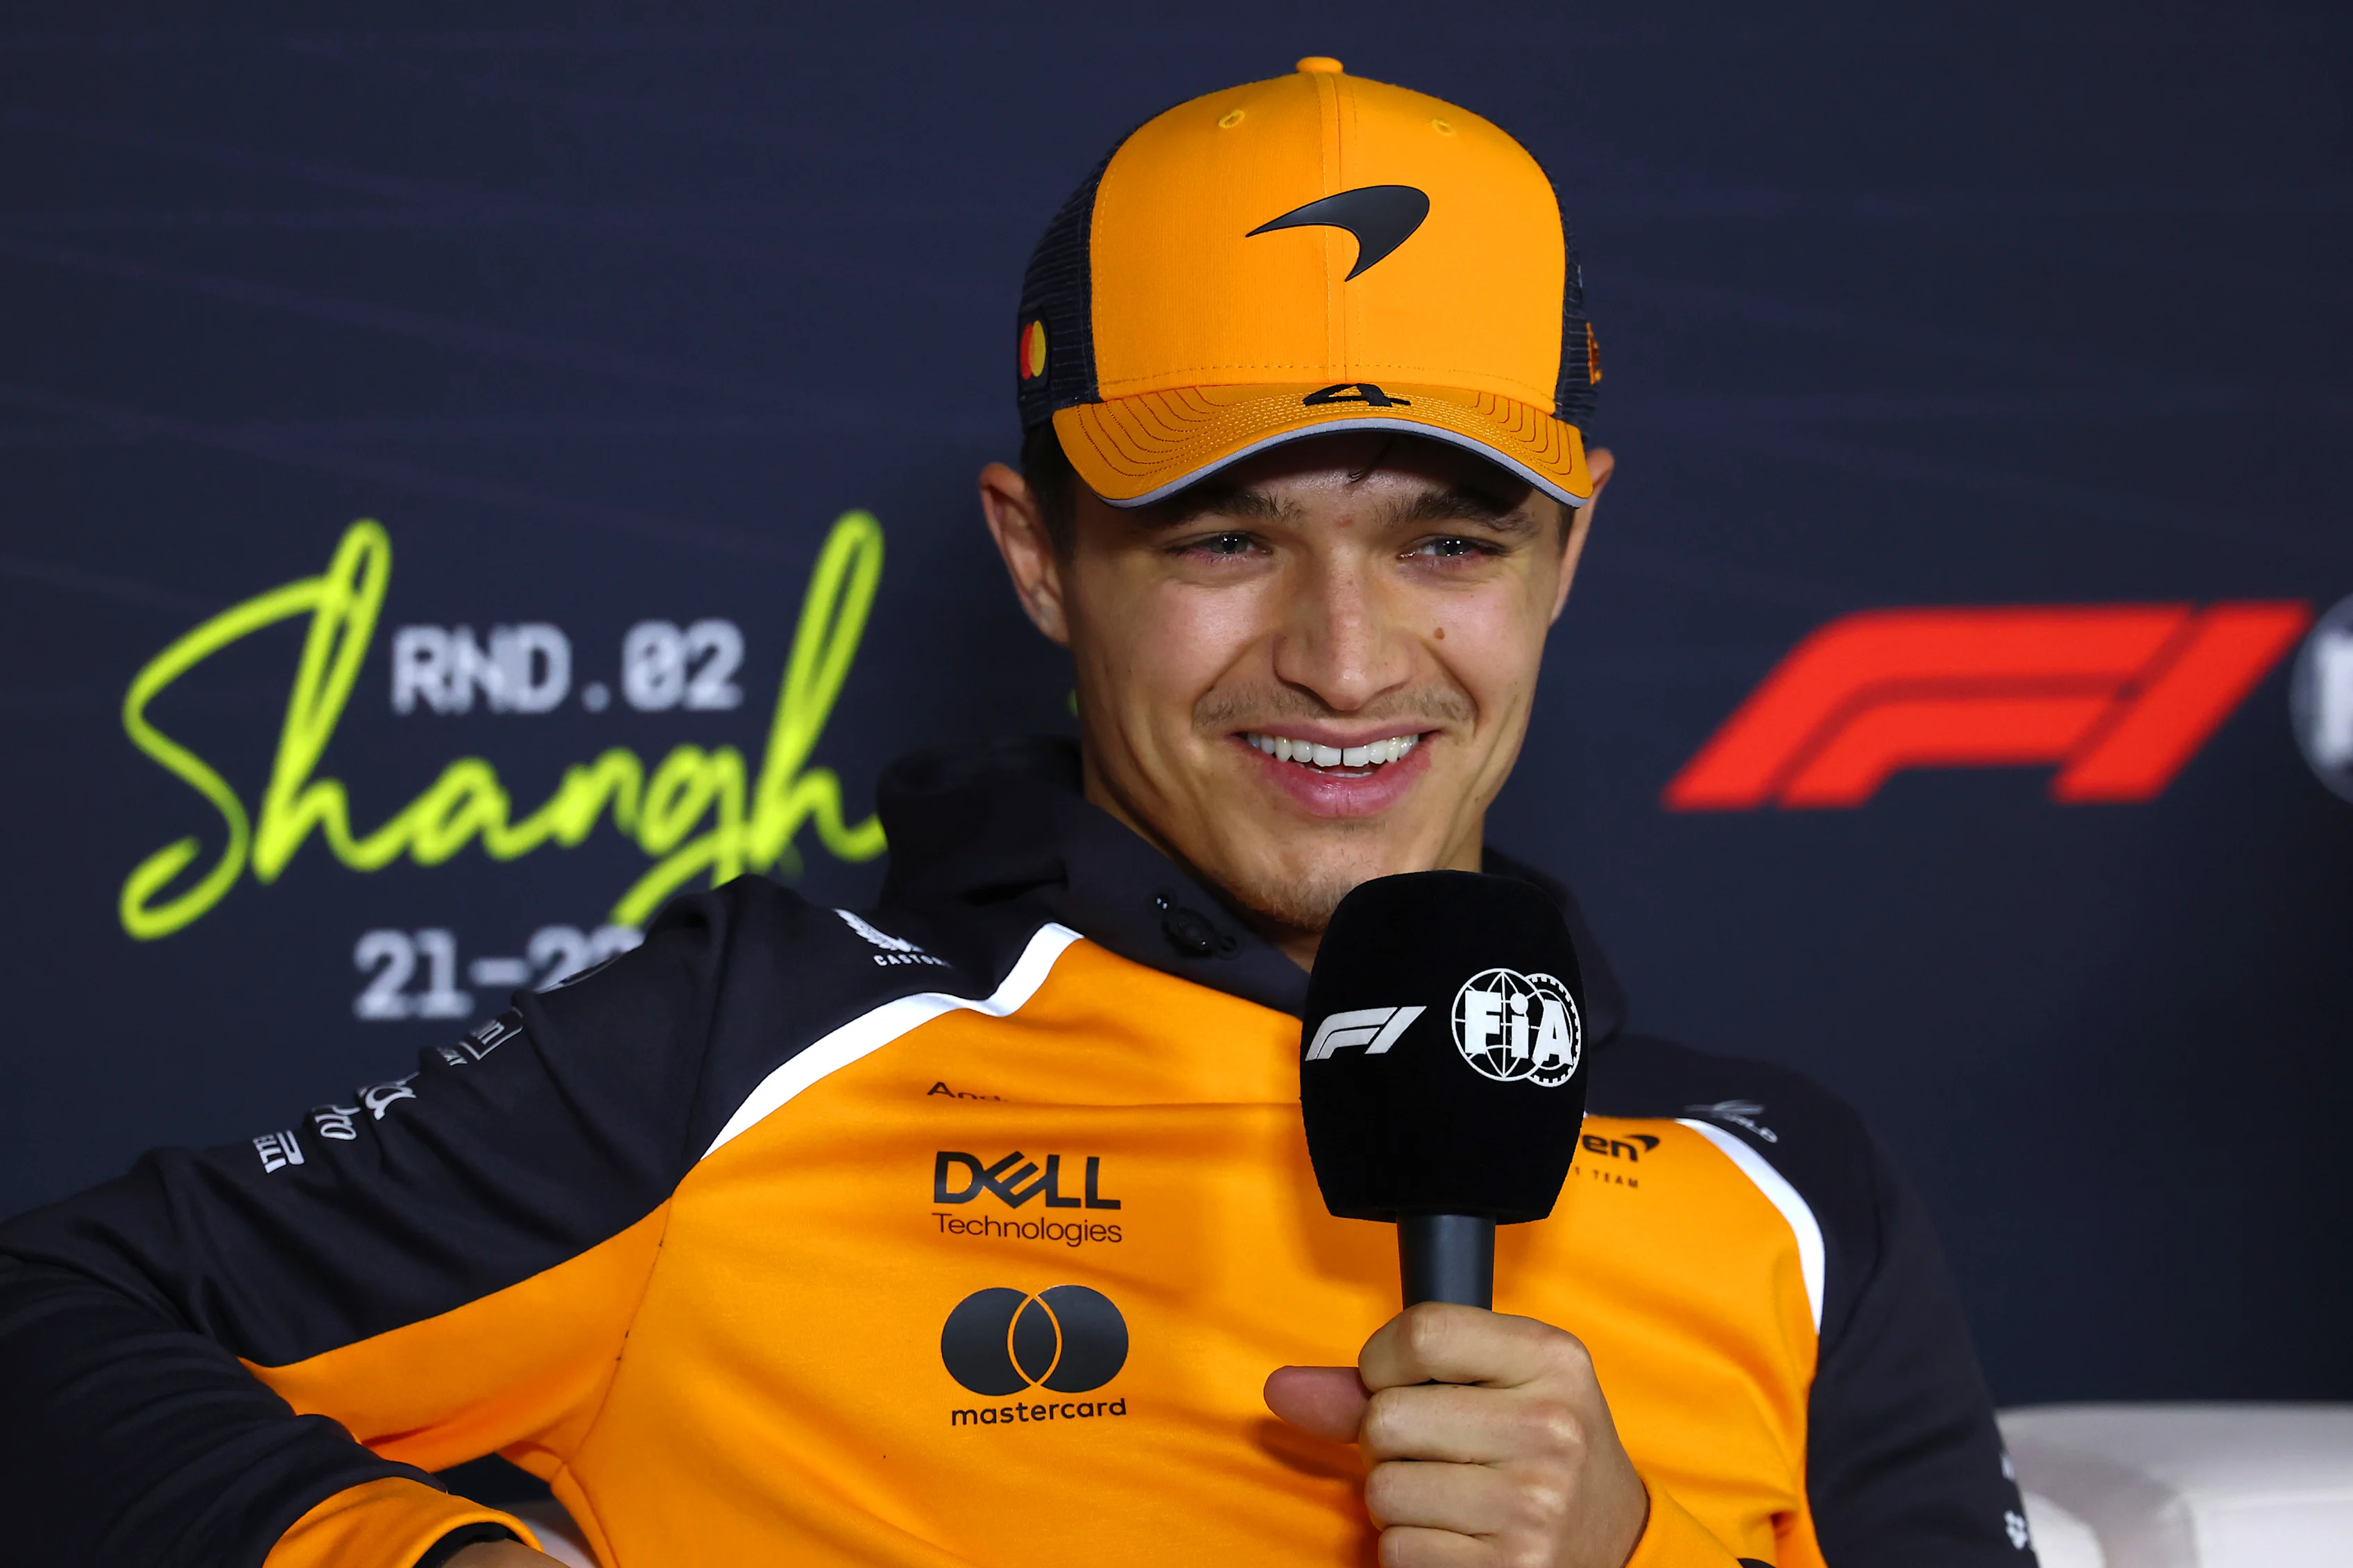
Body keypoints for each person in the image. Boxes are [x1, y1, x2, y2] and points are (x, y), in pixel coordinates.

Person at [0, 59, 2036, 1568]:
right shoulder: (748, 1042)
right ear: (1039, 557)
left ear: (1567, 560)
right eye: (1225, 536)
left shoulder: (1787, 1181)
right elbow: (47, 1321)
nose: (1345, 661)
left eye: (1447, 542)